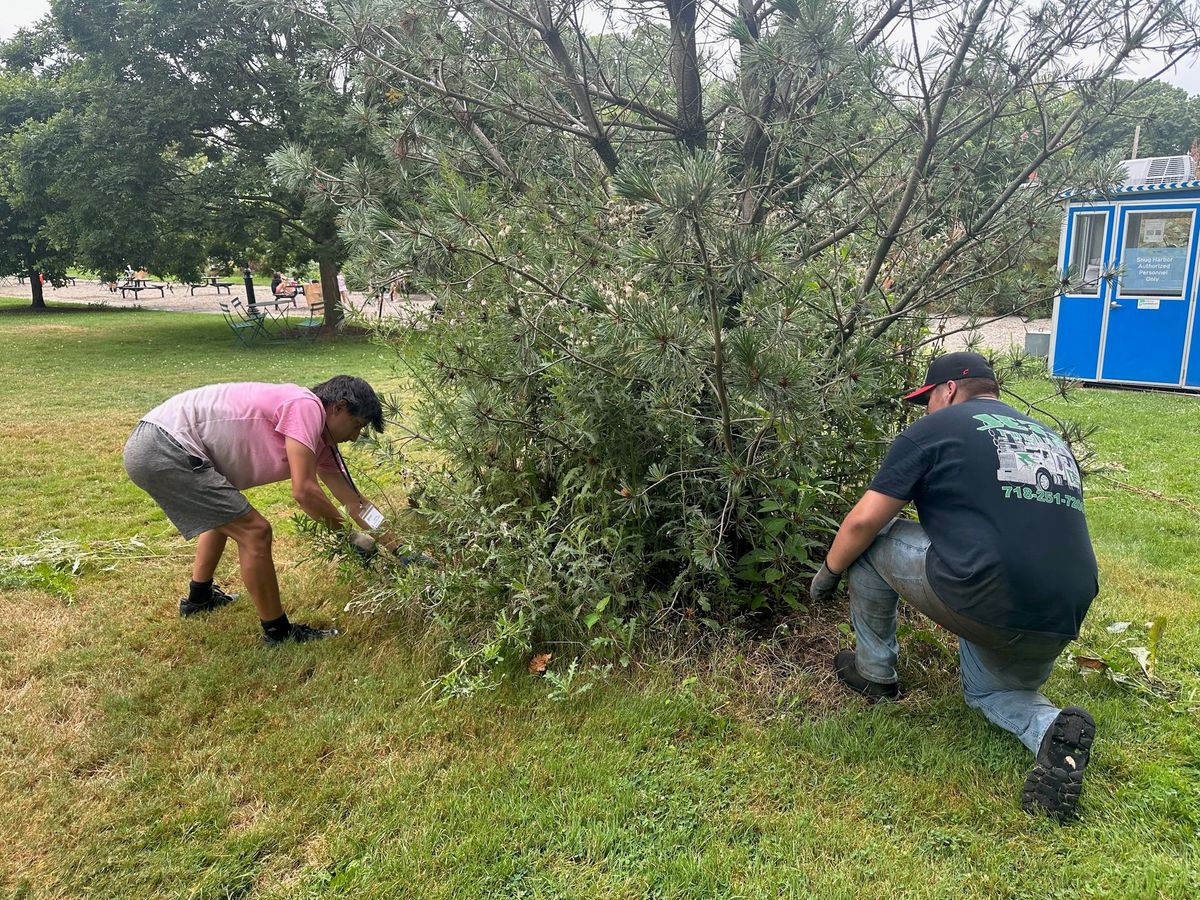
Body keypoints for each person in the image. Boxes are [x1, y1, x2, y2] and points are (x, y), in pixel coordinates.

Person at [810, 351, 1099, 822]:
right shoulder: (1050, 440)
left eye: (926, 399)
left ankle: (875, 674)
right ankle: (1052, 731)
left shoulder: (935, 428)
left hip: (985, 593)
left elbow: (862, 522)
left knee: (875, 540)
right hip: (1063, 611)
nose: (925, 409)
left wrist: (829, 573)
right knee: (991, 693)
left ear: (946, 391)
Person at [124, 376, 398, 645]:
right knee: (255, 531)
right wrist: (351, 539)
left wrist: (400, 547)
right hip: (163, 445)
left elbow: (354, 502)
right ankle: (278, 632)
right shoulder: (307, 407)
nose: (354, 437)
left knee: (228, 513)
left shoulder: (321, 442)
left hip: (156, 441)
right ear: (338, 407)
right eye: (357, 425)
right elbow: (304, 491)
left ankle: (199, 599)